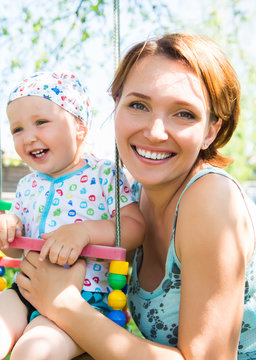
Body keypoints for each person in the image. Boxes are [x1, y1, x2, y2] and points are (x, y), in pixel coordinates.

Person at [15, 33, 256, 360]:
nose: (155, 132)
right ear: (117, 107)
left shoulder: (212, 199)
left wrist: (66, 306)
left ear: (211, 131)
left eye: (184, 113)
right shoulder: (131, 199)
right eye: (138, 105)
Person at [0, 71, 145, 360]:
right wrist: (7, 229)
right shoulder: (28, 184)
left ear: (79, 127)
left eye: (41, 122)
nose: (29, 137)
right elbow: (14, 247)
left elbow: (136, 228)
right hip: (26, 289)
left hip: (83, 301)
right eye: (17, 129)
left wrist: (85, 231)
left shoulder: (103, 174)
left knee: (36, 348)